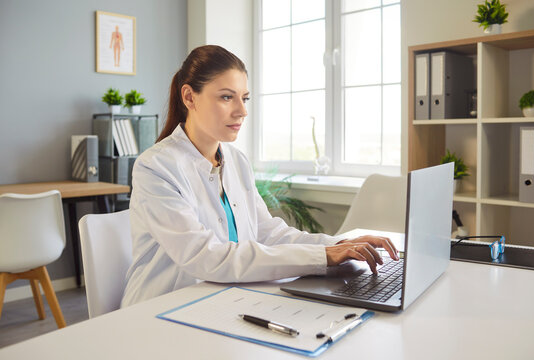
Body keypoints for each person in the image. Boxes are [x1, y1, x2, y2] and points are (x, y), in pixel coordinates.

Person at [121, 45, 399, 307]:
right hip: (162, 310)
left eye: (244, 98)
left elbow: (269, 233)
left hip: (222, 300)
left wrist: (338, 245)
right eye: (226, 97)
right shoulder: (156, 167)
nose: (241, 111)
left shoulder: (237, 161)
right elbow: (205, 257)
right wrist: (322, 257)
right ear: (189, 97)